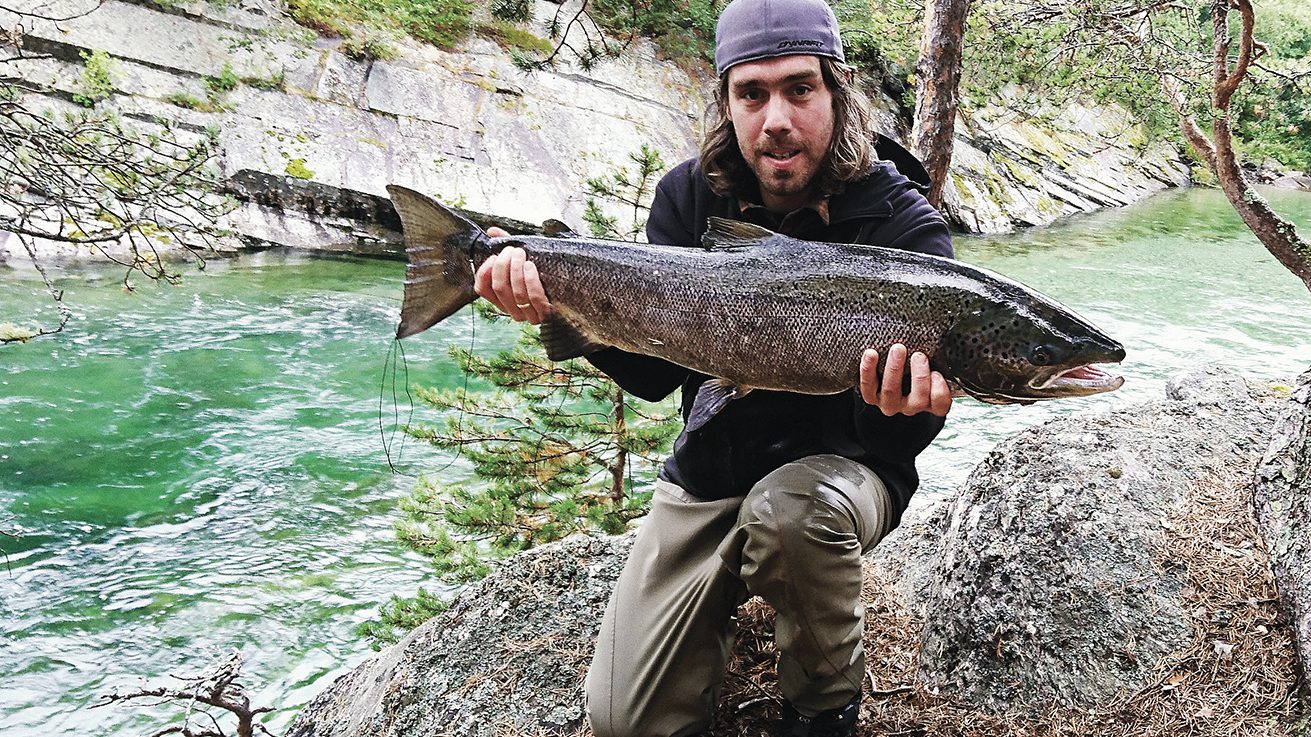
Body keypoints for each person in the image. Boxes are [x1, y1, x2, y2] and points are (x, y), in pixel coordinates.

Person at [474, 0, 953, 734]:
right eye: (751, 94)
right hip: (712, 465)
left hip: (839, 470)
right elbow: (657, 376)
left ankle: (821, 706)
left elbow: (894, 443)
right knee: (622, 721)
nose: (776, 119)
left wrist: (902, 407)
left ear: (836, 91)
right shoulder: (687, 196)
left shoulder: (901, 226)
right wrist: (562, 313)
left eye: (799, 89)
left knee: (792, 513)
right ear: (725, 101)